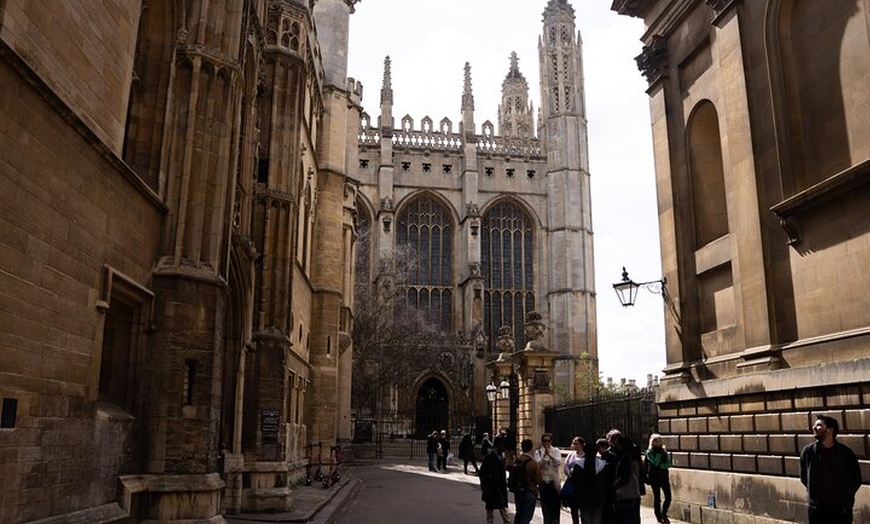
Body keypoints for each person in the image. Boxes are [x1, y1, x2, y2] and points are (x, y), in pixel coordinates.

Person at [800, 415, 862, 524]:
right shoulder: (808, 452)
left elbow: (856, 478)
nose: (814, 427)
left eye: (819, 425)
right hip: (817, 510)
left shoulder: (845, 453)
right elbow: (804, 478)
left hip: (841, 509)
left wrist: (846, 496)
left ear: (830, 430)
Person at [609, 431, 642, 524]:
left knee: (626, 518)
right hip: (634, 491)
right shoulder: (633, 454)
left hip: (625, 493)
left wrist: (613, 488)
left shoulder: (625, 458)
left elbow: (625, 476)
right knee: (634, 516)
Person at [480, 435, 511, 524]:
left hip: (497, 485)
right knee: (496, 505)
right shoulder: (492, 455)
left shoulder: (498, 454)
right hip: (492, 485)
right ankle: (505, 521)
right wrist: (485, 485)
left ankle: (502, 521)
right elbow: (483, 472)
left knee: (496, 505)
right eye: (502, 445)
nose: (503, 447)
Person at [512, 438, 542, 524]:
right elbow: (538, 480)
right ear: (531, 448)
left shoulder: (517, 460)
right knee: (526, 516)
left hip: (518, 490)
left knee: (519, 513)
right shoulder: (533, 462)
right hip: (530, 491)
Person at [535, 433, 562, 524]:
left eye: (548, 440)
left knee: (555, 505)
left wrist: (550, 456)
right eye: (544, 441)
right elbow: (538, 465)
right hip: (544, 481)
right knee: (546, 506)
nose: (547, 442)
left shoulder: (556, 450)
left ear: (551, 441)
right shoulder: (538, 452)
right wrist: (544, 456)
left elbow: (558, 463)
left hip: (554, 481)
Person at [646, 434, 672, 524]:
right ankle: (658, 516)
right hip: (654, 478)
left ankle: (664, 513)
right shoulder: (649, 452)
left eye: (660, 440)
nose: (659, 442)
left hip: (664, 477)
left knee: (668, 497)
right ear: (653, 442)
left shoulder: (663, 451)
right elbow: (655, 462)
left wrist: (662, 465)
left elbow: (669, 464)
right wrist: (659, 456)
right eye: (657, 441)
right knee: (657, 498)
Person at [562, 436, 586, 524]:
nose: (574, 445)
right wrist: (569, 474)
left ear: (582, 445)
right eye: (573, 443)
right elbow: (565, 466)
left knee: (583, 509)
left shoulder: (586, 456)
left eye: (576, 444)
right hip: (572, 484)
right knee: (574, 508)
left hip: (582, 485)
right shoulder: (571, 455)